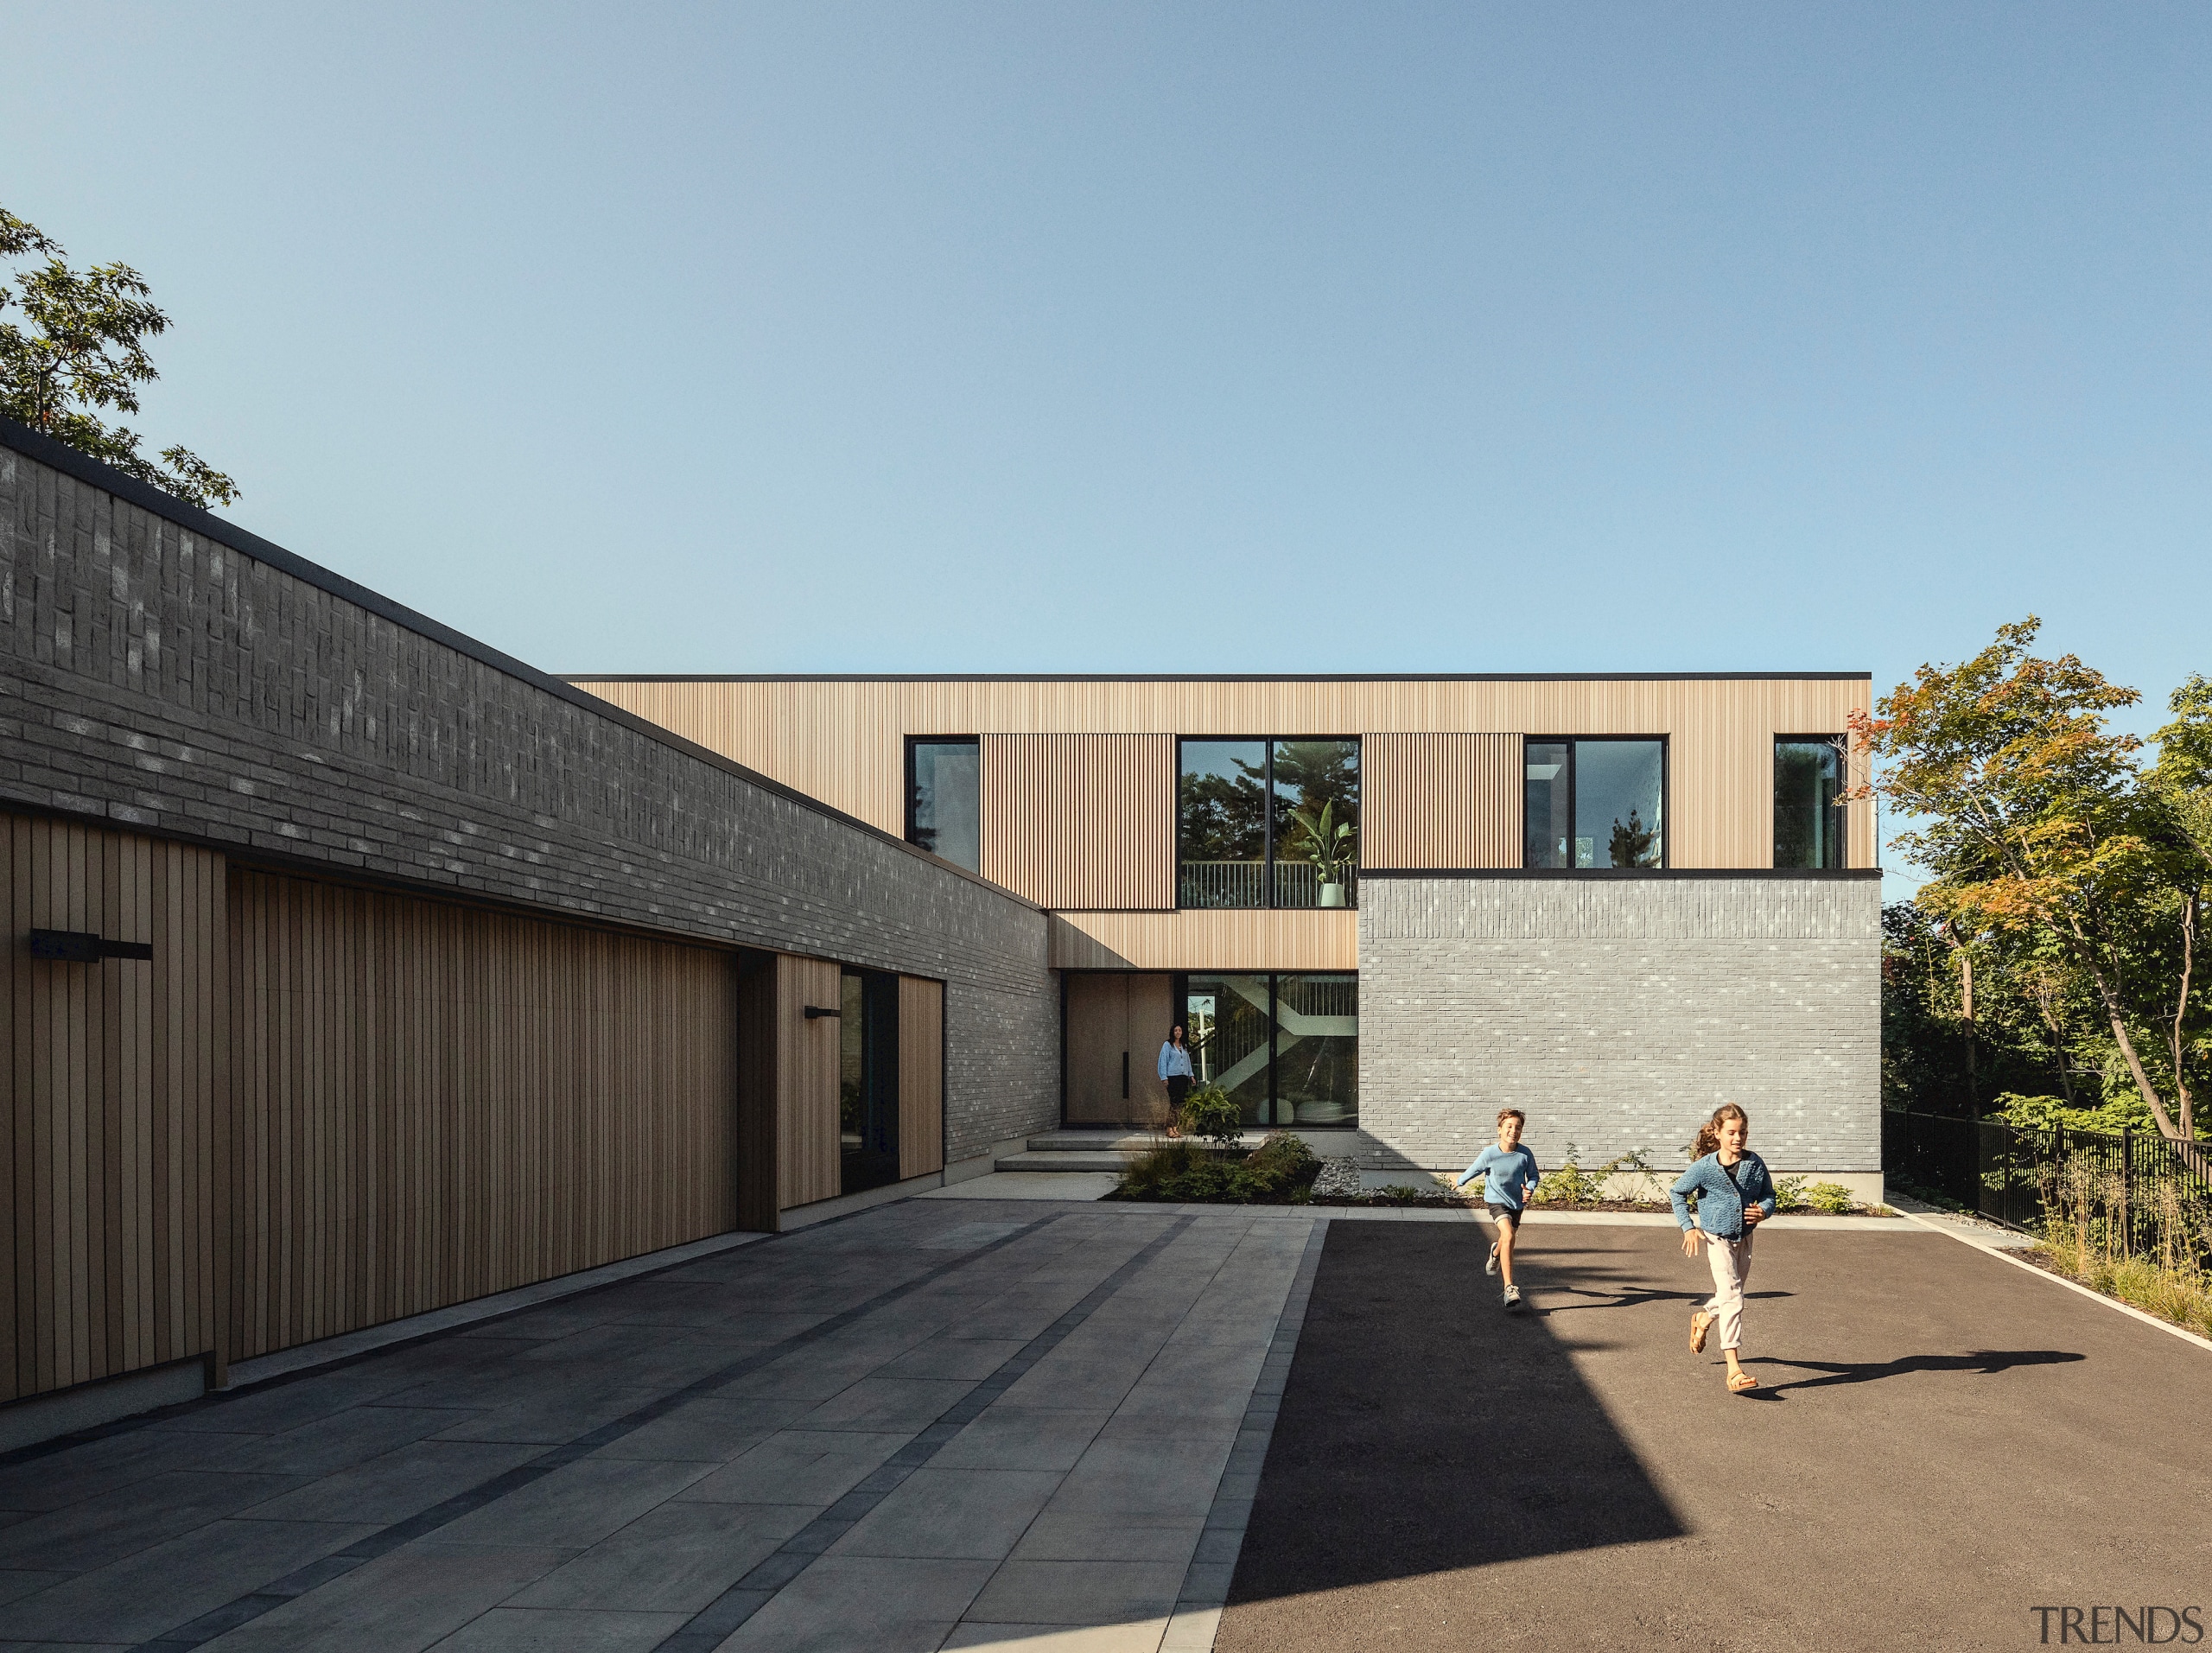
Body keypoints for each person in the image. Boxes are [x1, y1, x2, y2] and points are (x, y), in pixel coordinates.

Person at [1671, 1103, 1777, 1394]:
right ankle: (1734, 1370)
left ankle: (1703, 1318)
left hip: (1745, 1239)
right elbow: (1678, 1192)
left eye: (1742, 1132)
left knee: (1731, 1295)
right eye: (1731, 1132)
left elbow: (1769, 1195)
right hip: (1716, 1239)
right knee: (1734, 1300)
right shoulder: (1704, 1168)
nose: (1738, 1138)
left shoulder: (1755, 1164)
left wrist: (1764, 1211)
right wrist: (1688, 1227)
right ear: (1717, 1133)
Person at [1454, 1109, 1541, 1311]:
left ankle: (1495, 1252)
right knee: (1509, 1235)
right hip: (1496, 1202)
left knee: (1505, 1238)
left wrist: (1529, 1189)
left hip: (1516, 1204)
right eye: (1509, 1126)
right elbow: (1475, 1169)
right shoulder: (1490, 1154)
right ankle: (1509, 1288)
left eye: (1518, 1127)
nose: (1514, 1130)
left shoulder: (1525, 1154)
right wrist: (1459, 1181)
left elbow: (1534, 1176)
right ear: (1499, 1130)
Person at [1158, 1025, 1195, 1129]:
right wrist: (1164, 1077)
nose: (1178, 1032)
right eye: (1176, 1030)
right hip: (1172, 1077)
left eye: (1180, 1030)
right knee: (1174, 1103)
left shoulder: (1184, 1046)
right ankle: (1170, 1128)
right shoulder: (1167, 1045)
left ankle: (1175, 1128)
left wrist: (1191, 1075)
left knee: (1180, 1104)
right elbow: (1163, 1061)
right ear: (1172, 1032)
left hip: (1183, 1077)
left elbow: (1187, 1061)